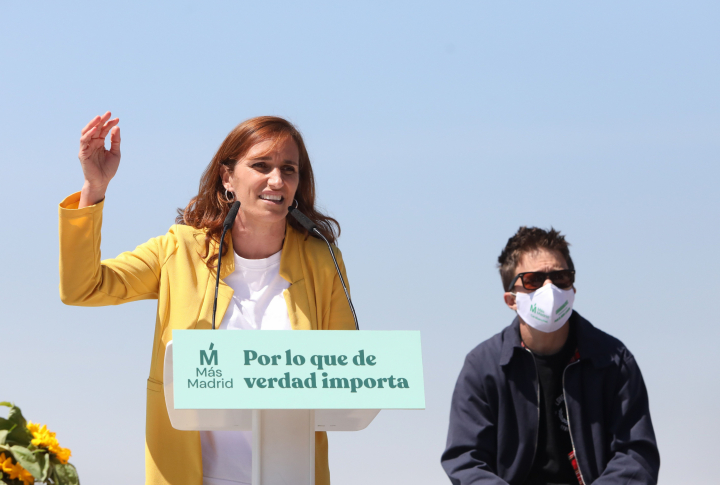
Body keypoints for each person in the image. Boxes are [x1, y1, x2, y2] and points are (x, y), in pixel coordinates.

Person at [59, 112, 355, 485]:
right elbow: (83, 287)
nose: (277, 180)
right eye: (261, 166)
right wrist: (94, 187)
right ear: (227, 177)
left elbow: (348, 375)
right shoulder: (180, 250)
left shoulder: (322, 260)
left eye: (289, 169)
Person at [441, 227, 660, 485]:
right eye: (533, 280)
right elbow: (465, 459)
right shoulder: (482, 367)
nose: (549, 288)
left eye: (560, 277)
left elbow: (636, 455)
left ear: (573, 289)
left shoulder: (613, 361)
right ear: (511, 300)